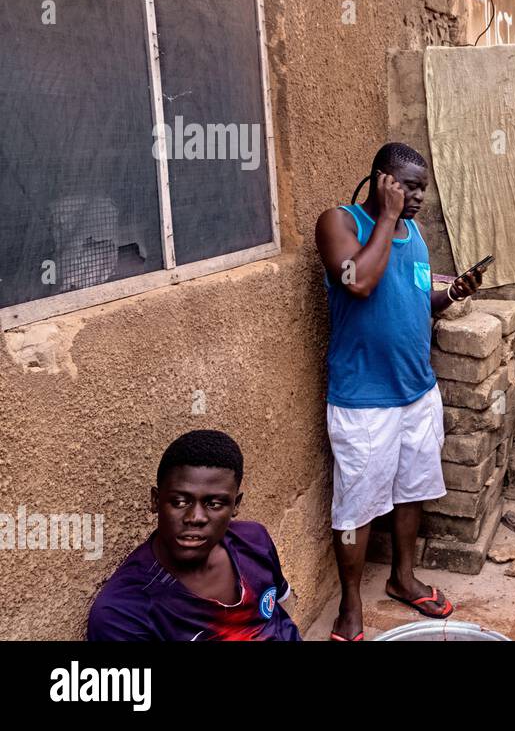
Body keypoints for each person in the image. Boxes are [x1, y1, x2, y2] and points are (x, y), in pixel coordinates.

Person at [314, 142, 481, 642]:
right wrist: (386, 217)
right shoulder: (339, 223)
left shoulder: (415, 237)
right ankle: (350, 607)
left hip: (417, 391)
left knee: (413, 492)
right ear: (380, 180)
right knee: (356, 506)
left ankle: (403, 578)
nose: (416, 198)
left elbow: (414, 302)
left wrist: (452, 293)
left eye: (421, 190)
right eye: (407, 186)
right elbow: (359, 282)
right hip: (364, 399)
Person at [87, 430, 301, 641]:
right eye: (180, 502)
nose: (195, 517)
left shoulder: (254, 540)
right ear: (155, 500)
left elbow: (281, 606)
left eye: (214, 504)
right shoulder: (124, 612)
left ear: (235, 505)